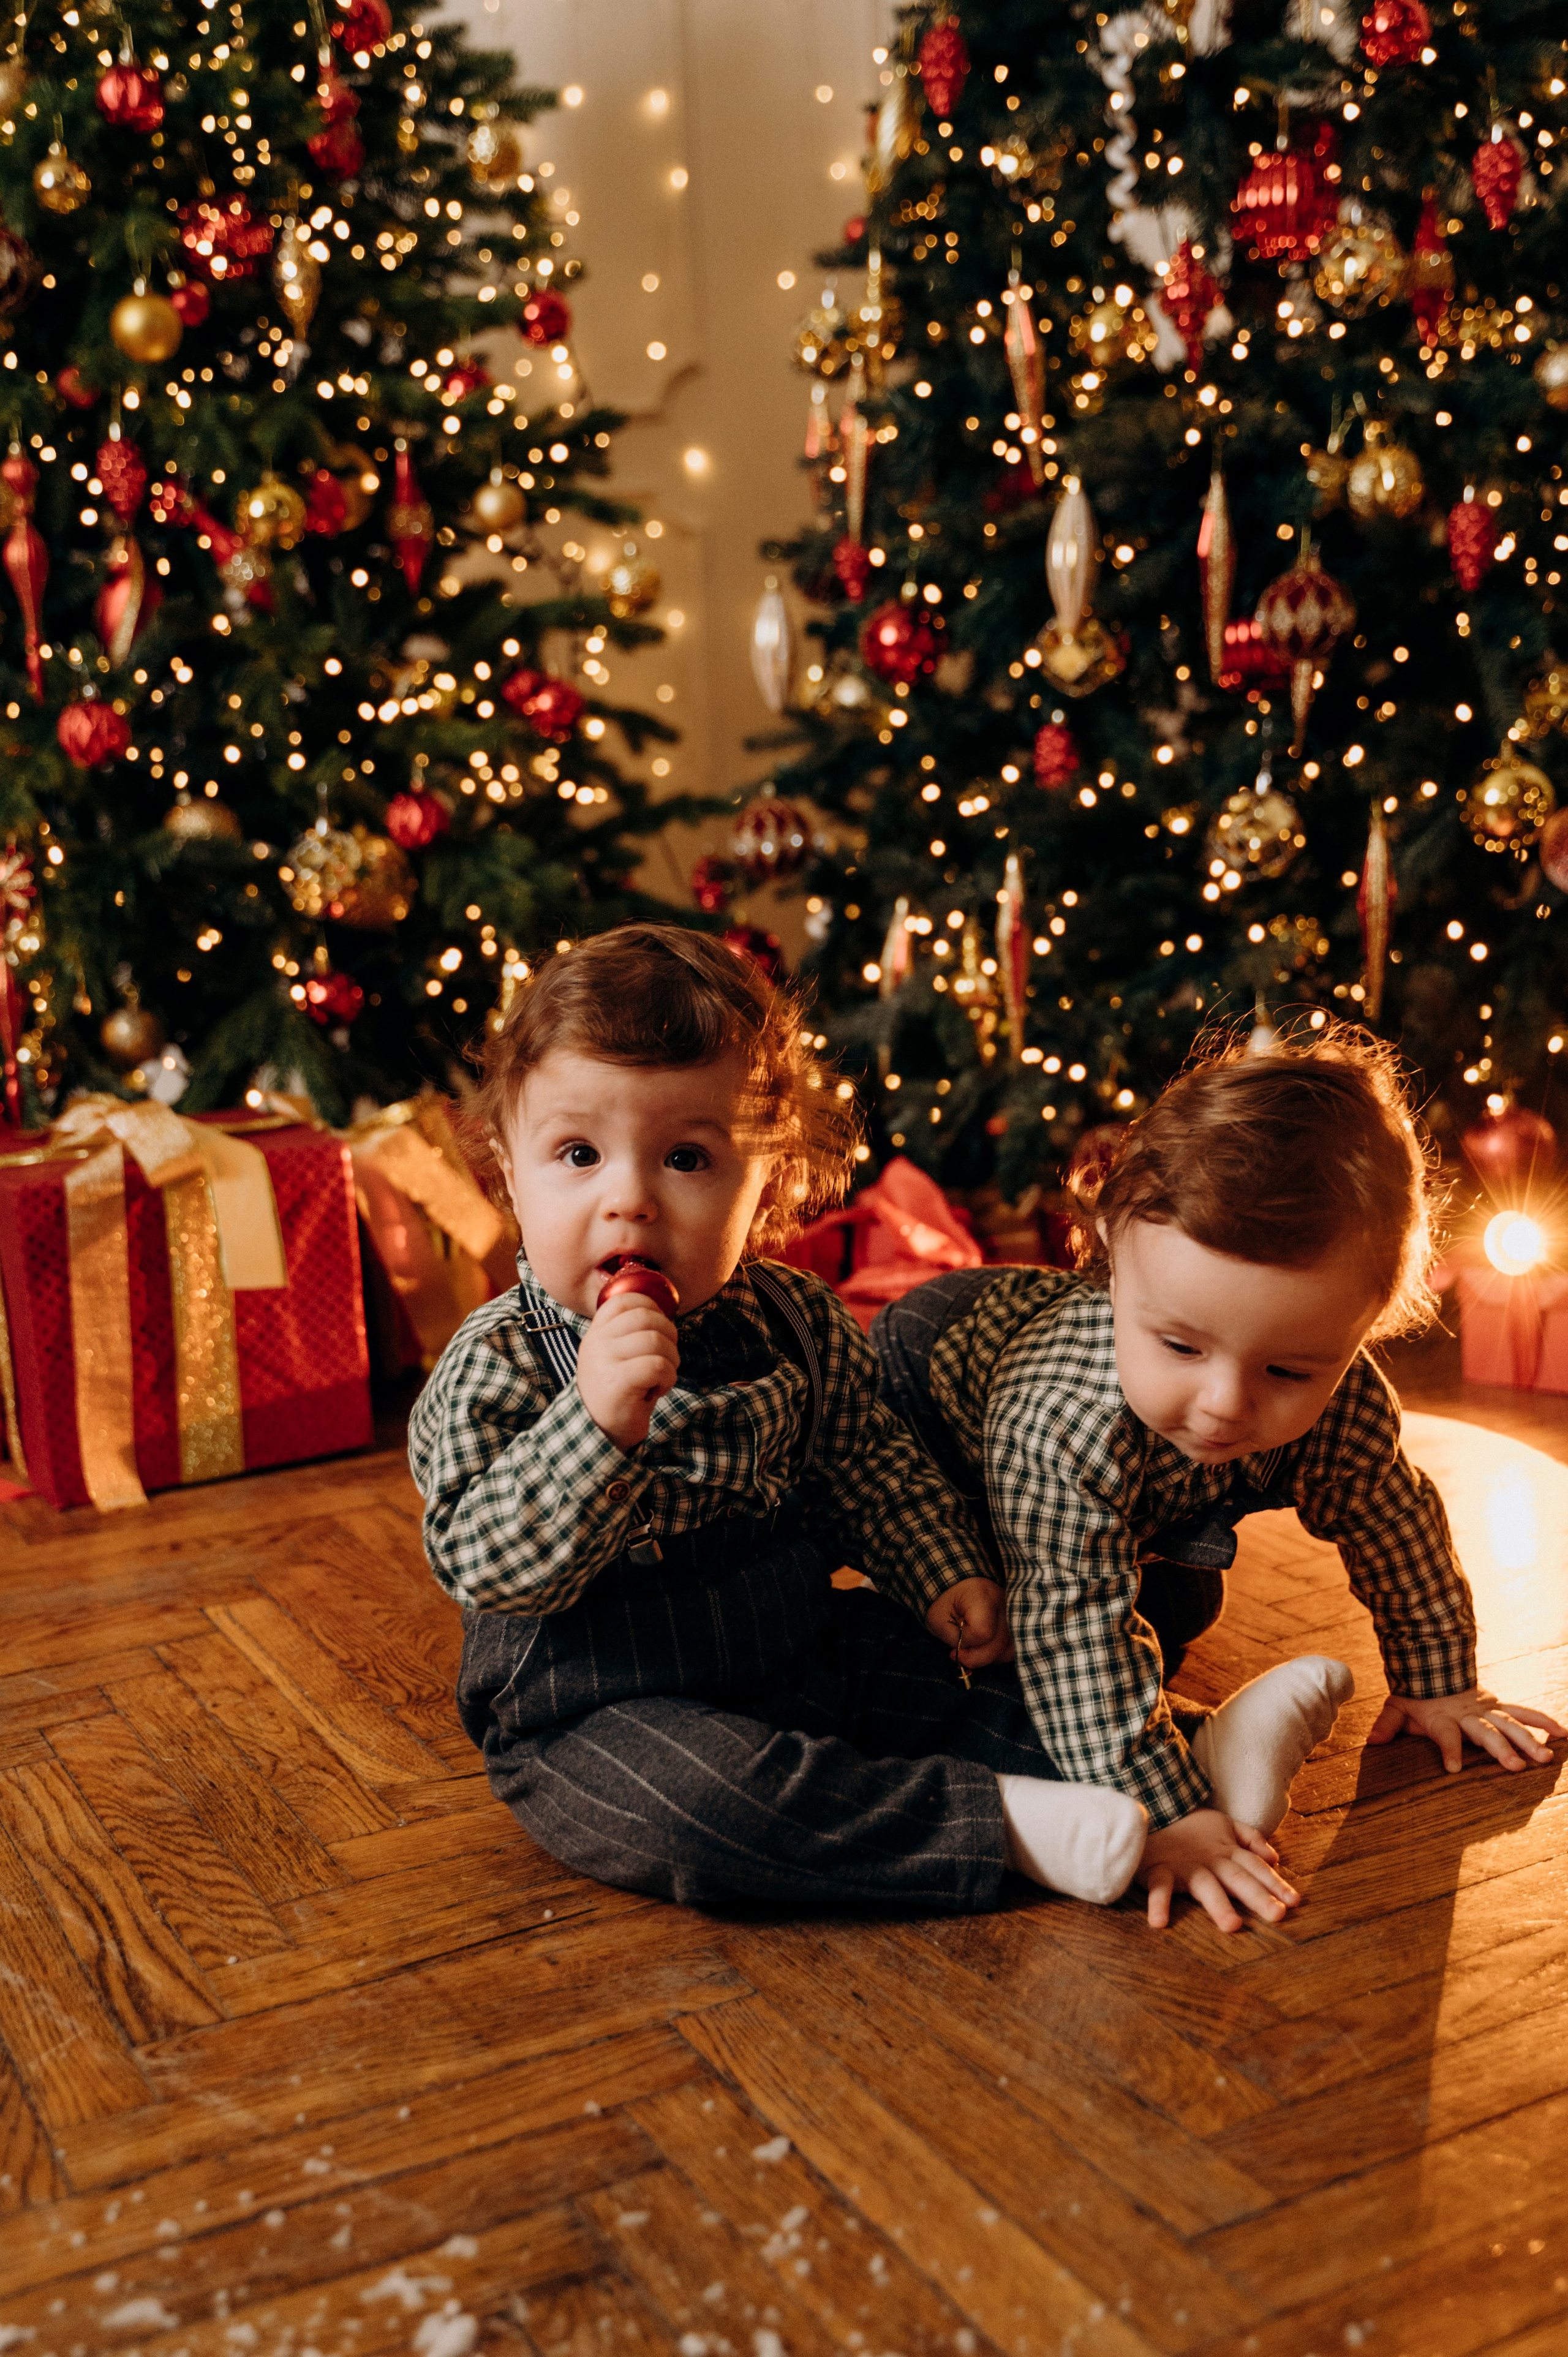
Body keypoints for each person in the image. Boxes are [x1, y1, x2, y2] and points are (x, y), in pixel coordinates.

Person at [409, 925, 1297, 1924]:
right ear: (507, 1171)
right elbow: (481, 1565)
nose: (629, 1201)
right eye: (578, 1154)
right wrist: (595, 1425)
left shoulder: (793, 1319)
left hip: (801, 1651)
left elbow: (867, 1470)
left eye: (688, 1158)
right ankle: (1003, 1826)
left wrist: (942, 1571)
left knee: (954, 1680)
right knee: (706, 1808)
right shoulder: (499, 1362)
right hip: (594, 1711)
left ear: (770, 1184)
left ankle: (1190, 1754)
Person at [873, 1024, 1566, 1929]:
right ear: (1110, 1260)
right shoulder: (1064, 1416)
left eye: (1289, 1370)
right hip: (929, 1440)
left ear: (1368, 1326)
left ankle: (1182, 1733)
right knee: (980, 1636)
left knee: (1180, 1611)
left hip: (1136, 1500)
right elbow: (1072, 1621)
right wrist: (1173, 1819)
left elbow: (1395, 1523)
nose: (1225, 1405)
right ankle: (1177, 1752)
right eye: (1179, 1345)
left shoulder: (1346, 1399)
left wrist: (1441, 1681)